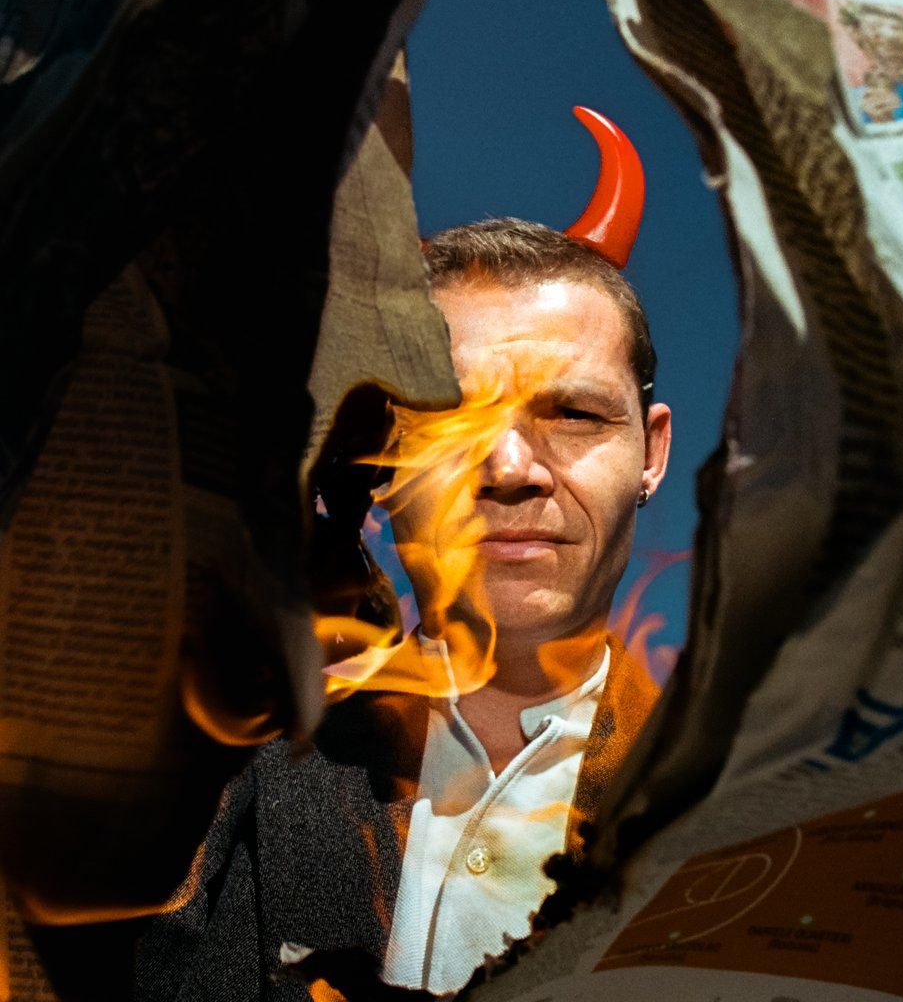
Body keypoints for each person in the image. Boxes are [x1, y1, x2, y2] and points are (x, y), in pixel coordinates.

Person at [135, 108, 671, 1000]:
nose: (510, 470)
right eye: (449, 423)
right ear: (378, 464)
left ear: (650, 453)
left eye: (574, 414)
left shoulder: (776, 796)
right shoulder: (212, 761)